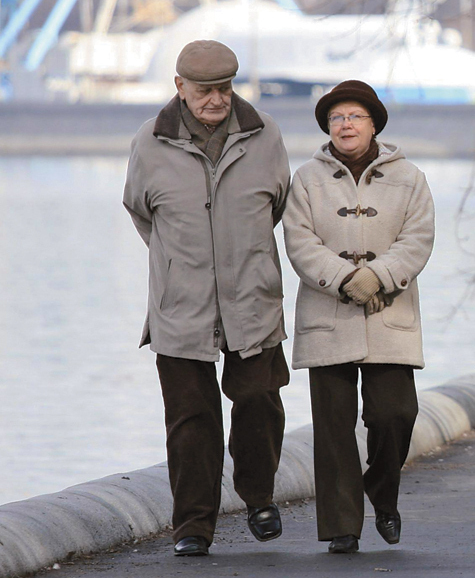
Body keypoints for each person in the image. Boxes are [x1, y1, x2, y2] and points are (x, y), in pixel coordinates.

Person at [123, 40, 290, 557]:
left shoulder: (264, 134)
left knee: (260, 401)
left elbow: (277, 204)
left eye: (224, 88)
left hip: (253, 299)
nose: (216, 99)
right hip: (180, 307)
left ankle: (258, 497)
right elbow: (141, 211)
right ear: (180, 87)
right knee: (190, 420)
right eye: (204, 90)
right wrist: (180, 262)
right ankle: (193, 526)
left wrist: (242, 253)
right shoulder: (150, 140)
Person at [282, 80, 435, 554]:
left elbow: (418, 238)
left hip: (390, 315)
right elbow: (299, 241)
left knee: (395, 415)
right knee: (333, 428)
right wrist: (347, 278)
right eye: (337, 118)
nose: (345, 125)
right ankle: (342, 527)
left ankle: (383, 495)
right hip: (327, 315)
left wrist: (378, 276)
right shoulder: (307, 178)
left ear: (373, 125)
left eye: (354, 116)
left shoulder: (409, 177)